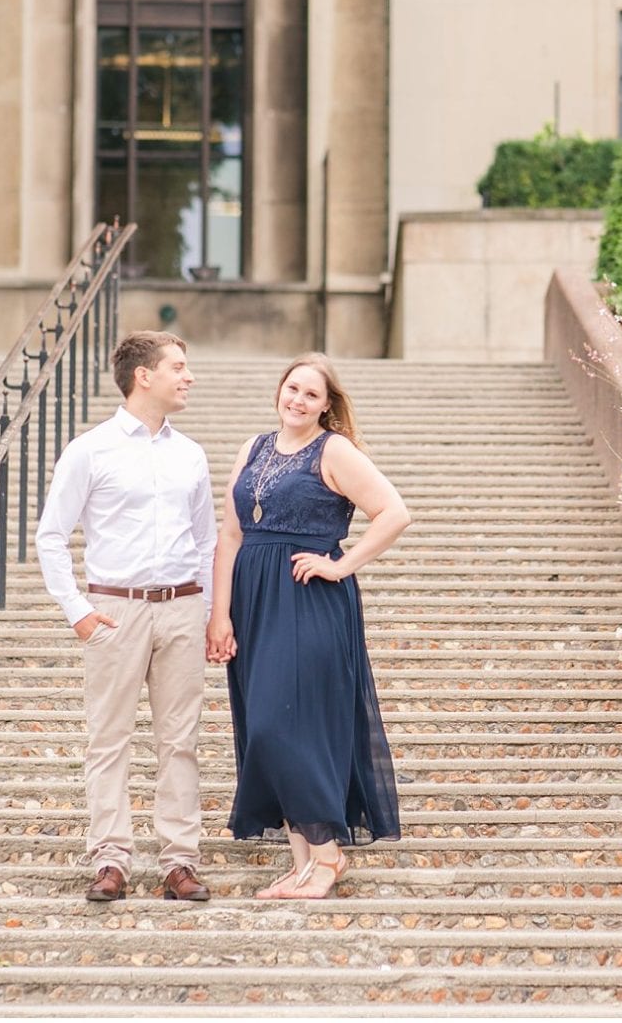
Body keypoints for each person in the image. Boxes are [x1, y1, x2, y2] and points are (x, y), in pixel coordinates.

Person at [205, 353, 409, 899]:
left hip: (307, 601)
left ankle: (327, 856)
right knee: (266, 726)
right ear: (279, 390)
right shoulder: (253, 447)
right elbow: (230, 536)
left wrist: (340, 564)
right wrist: (219, 613)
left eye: (311, 394)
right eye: (291, 388)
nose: (297, 399)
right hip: (252, 601)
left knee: (285, 723)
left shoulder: (334, 450)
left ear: (327, 405)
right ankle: (303, 868)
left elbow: (394, 512)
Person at [36, 330, 217, 903]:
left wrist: (210, 613)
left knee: (180, 740)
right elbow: (50, 535)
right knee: (109, 739)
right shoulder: (90, 449)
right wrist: (78, 612)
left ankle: (179, 862)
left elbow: (207, 540)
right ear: (145, 375)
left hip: (182, 607)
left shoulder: (191, 454)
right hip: (115, 609)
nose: (189, 377)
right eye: (179, 367)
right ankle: (111, 859)